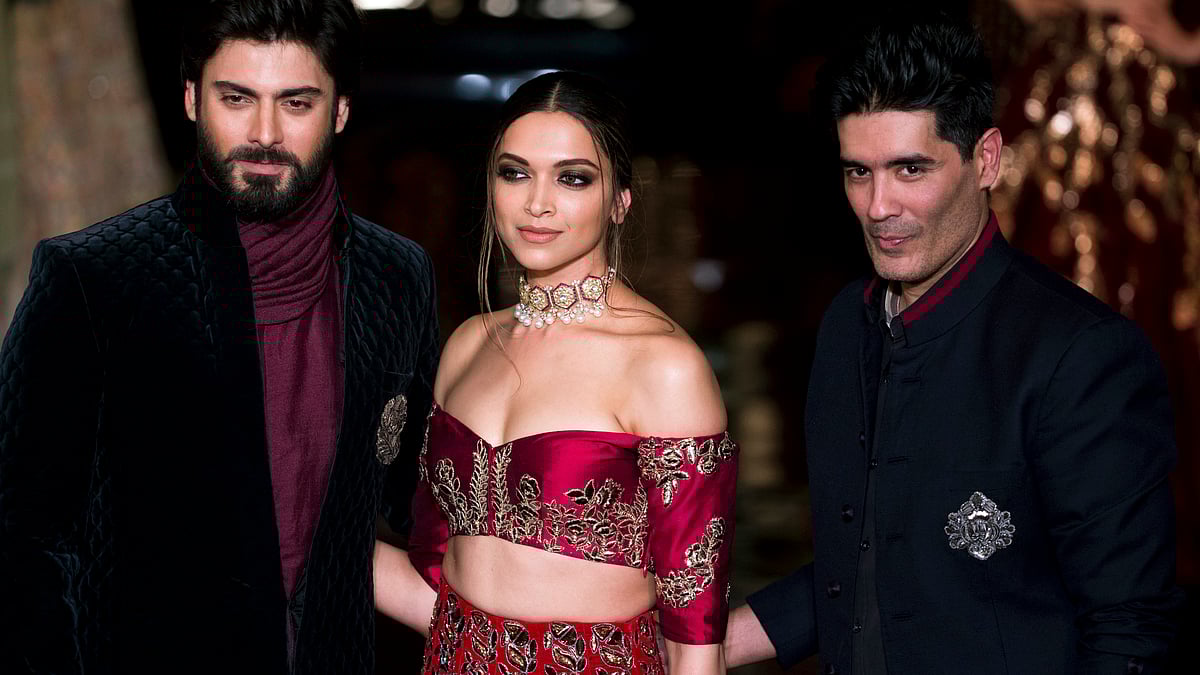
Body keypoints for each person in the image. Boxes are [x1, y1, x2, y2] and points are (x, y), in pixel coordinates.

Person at [722, 12, 1183, 675]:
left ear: (986, 160)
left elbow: (1128, 632)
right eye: (858, 172)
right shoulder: (846, 326)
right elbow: (864, 564)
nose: (878, 206)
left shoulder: (1081, 356)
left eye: (910, 169)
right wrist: (702, 646)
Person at [0, 1, 437, 673]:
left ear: (341, 111)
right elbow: (19, 537)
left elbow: (426, 501)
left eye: (296, 103)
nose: (264, 133)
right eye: (236, 98)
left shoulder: (396, 276)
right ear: (191, 99)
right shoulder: (94, 279)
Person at [372, 71, 738, 675]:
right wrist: (293, 513)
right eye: (515, 173)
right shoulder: (467, 345)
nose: (536, 203)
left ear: (619, 201)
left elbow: (695, 648)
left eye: (573, 178)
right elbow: (434, 595)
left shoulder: (664, 367)